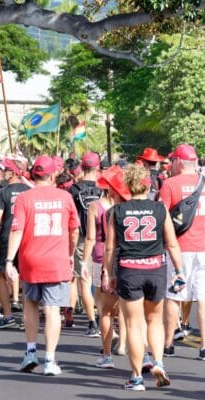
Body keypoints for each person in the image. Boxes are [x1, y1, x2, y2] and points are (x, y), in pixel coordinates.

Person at [103, 164, 185, 390]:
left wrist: (108, 273)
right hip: (155, 268)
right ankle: (158, 361)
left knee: (134, 325)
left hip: (129, 269)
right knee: (154, 320)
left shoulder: (117, 211)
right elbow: (171, 243)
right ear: (148, 184)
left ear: (128, 185)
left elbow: (110, 247)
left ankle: (137, 376)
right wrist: (180, 271)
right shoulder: (160, 209)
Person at [5, 155, 80, 377]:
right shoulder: (65, 197)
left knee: (30, 303)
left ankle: (30, 351)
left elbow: (16, 230)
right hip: (56, 258)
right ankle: (49, 359)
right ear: (52, 174)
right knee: (52, 308)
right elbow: (74, 229)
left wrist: (10, 259)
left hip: (31, 259)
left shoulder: (24, 198)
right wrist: (70, 252)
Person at [159, 144, 205, 362]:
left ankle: (168, 344)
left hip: (179, 251)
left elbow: (163, 218)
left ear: (177, 162)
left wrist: (166, 244)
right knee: (204, 298)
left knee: (174, 296)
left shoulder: (169, 184)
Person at [83, 166, 123, 367]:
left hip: (101, 257)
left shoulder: (95, 206)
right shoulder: (126, 206)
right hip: (124, 257)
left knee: (104, 307)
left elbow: (90, 237)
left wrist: (84, 261)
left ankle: (107, 351)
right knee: (125, 305)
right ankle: (123, 342)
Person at [0, 156, 31, 329]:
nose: (2, 172)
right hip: (27, 238)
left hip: (7, 237)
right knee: (26, 278)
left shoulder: (3, 192)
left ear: (13, 173)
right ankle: (27, 317)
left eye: (5, 169)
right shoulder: (30, 190)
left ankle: (8, 315)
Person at [68, 151, 101, 335]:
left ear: (82, 166)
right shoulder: (103, 188)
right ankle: (106, 318)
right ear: (97, 168)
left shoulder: (74, 189)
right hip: (103, 237)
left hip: (81, 237)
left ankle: (91, 322)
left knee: (82, 280)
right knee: (103, 280)